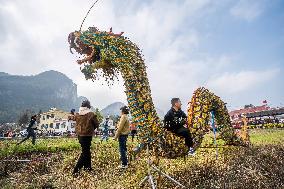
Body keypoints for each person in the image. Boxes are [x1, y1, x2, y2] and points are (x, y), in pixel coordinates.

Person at [70, 100, 99, 175]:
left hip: (80, 135)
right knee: (85, 153)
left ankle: (88, 168)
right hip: (87, 136)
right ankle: (76, 171)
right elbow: (97, 124)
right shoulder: (91, 114)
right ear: (88, 106)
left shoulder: (78, 114)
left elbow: (73, 118)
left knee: (87, 151)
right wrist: (92, 128)